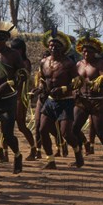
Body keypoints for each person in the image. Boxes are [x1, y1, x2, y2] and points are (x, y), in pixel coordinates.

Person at [34, 28, 84, 169]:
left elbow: (77, 81)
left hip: (66, 101)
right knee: (42, 130)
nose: (53, 47)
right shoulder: (44, 62)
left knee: (66, 134)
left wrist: (64, 88)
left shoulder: (68, 63)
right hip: (50, 101)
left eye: (57, 45)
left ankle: (78, 153)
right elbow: (41, 78)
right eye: (51, 45)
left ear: (63, 48)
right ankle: (50, 161)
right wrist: (40, 86)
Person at [0, 18, 27, 174]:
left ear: (7, 39)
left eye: (0, 38)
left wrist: (9, 84)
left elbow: (22, 74)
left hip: (8, 99)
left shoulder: (13, 54)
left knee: (8, 134)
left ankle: (17, 154)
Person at [72, 34, 103, 166]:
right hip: (81, 100)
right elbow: (75, 80)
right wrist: (74, 89)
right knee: (74, 128)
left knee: (99, 130)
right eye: (84, 51)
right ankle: (79, 157)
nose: (86, 53)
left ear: (95, 52)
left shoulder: (100, 63)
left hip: (97, 101)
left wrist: (97, 82)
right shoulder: (78, 64)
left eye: (89, 51)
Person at [10, 38, 38, 161]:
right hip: (10, 97)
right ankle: (3, 152)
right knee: (7, 125)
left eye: (17, 50)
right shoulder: (10, 61)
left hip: (20, 97)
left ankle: (33, 148)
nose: (14, 52)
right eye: (13, 49)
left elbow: (21, 80)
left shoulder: (25, 63)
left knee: (21, 125)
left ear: (22, 50)